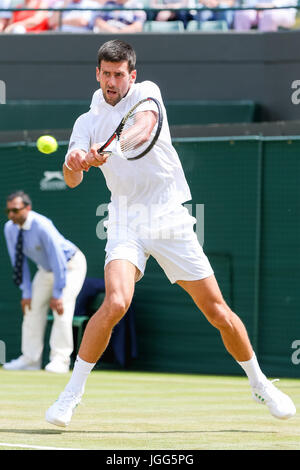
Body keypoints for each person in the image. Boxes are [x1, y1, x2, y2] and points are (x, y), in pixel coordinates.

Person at [46, 39, 296, 427]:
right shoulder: (85, 122)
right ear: (97, 74)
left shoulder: (147, 95)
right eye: (105, 74)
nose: (112, 81)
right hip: (125, 219)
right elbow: (73, 179)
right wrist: (76, 161)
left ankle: (260, 383)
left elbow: (142, 131)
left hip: (169, 218)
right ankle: (70, 395)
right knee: (115, 303)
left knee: (217, 312)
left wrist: (107, 150)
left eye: (119, 74)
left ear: (132, 75)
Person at [3, 191, 87, 373]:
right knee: (31, 308)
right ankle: (30, 360)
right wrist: (26, 292)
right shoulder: (9, 228)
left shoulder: (42, 225)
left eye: (15, 211)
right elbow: (18, 261)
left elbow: (58, 260)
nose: (11, 215)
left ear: (27, 208)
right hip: (45, 270)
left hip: (70, 265)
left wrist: (57, 292)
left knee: (62, 307)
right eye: (8, 211)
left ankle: (60, 361)